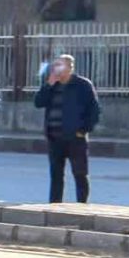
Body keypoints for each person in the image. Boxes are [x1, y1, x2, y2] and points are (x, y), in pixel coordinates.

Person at [33, 52, 102, 203]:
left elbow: (94, 110)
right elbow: (38, 102)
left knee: (80, 174)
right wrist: (48, 85)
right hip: (54, 137)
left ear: (70, 67)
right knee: (56, 175)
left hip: (75, 138)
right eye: (55, 65)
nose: (56, 68)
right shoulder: (52, 84)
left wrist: (82, 130)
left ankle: (82, 205)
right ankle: (55, 204)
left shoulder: (83, 85)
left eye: (60, 65)